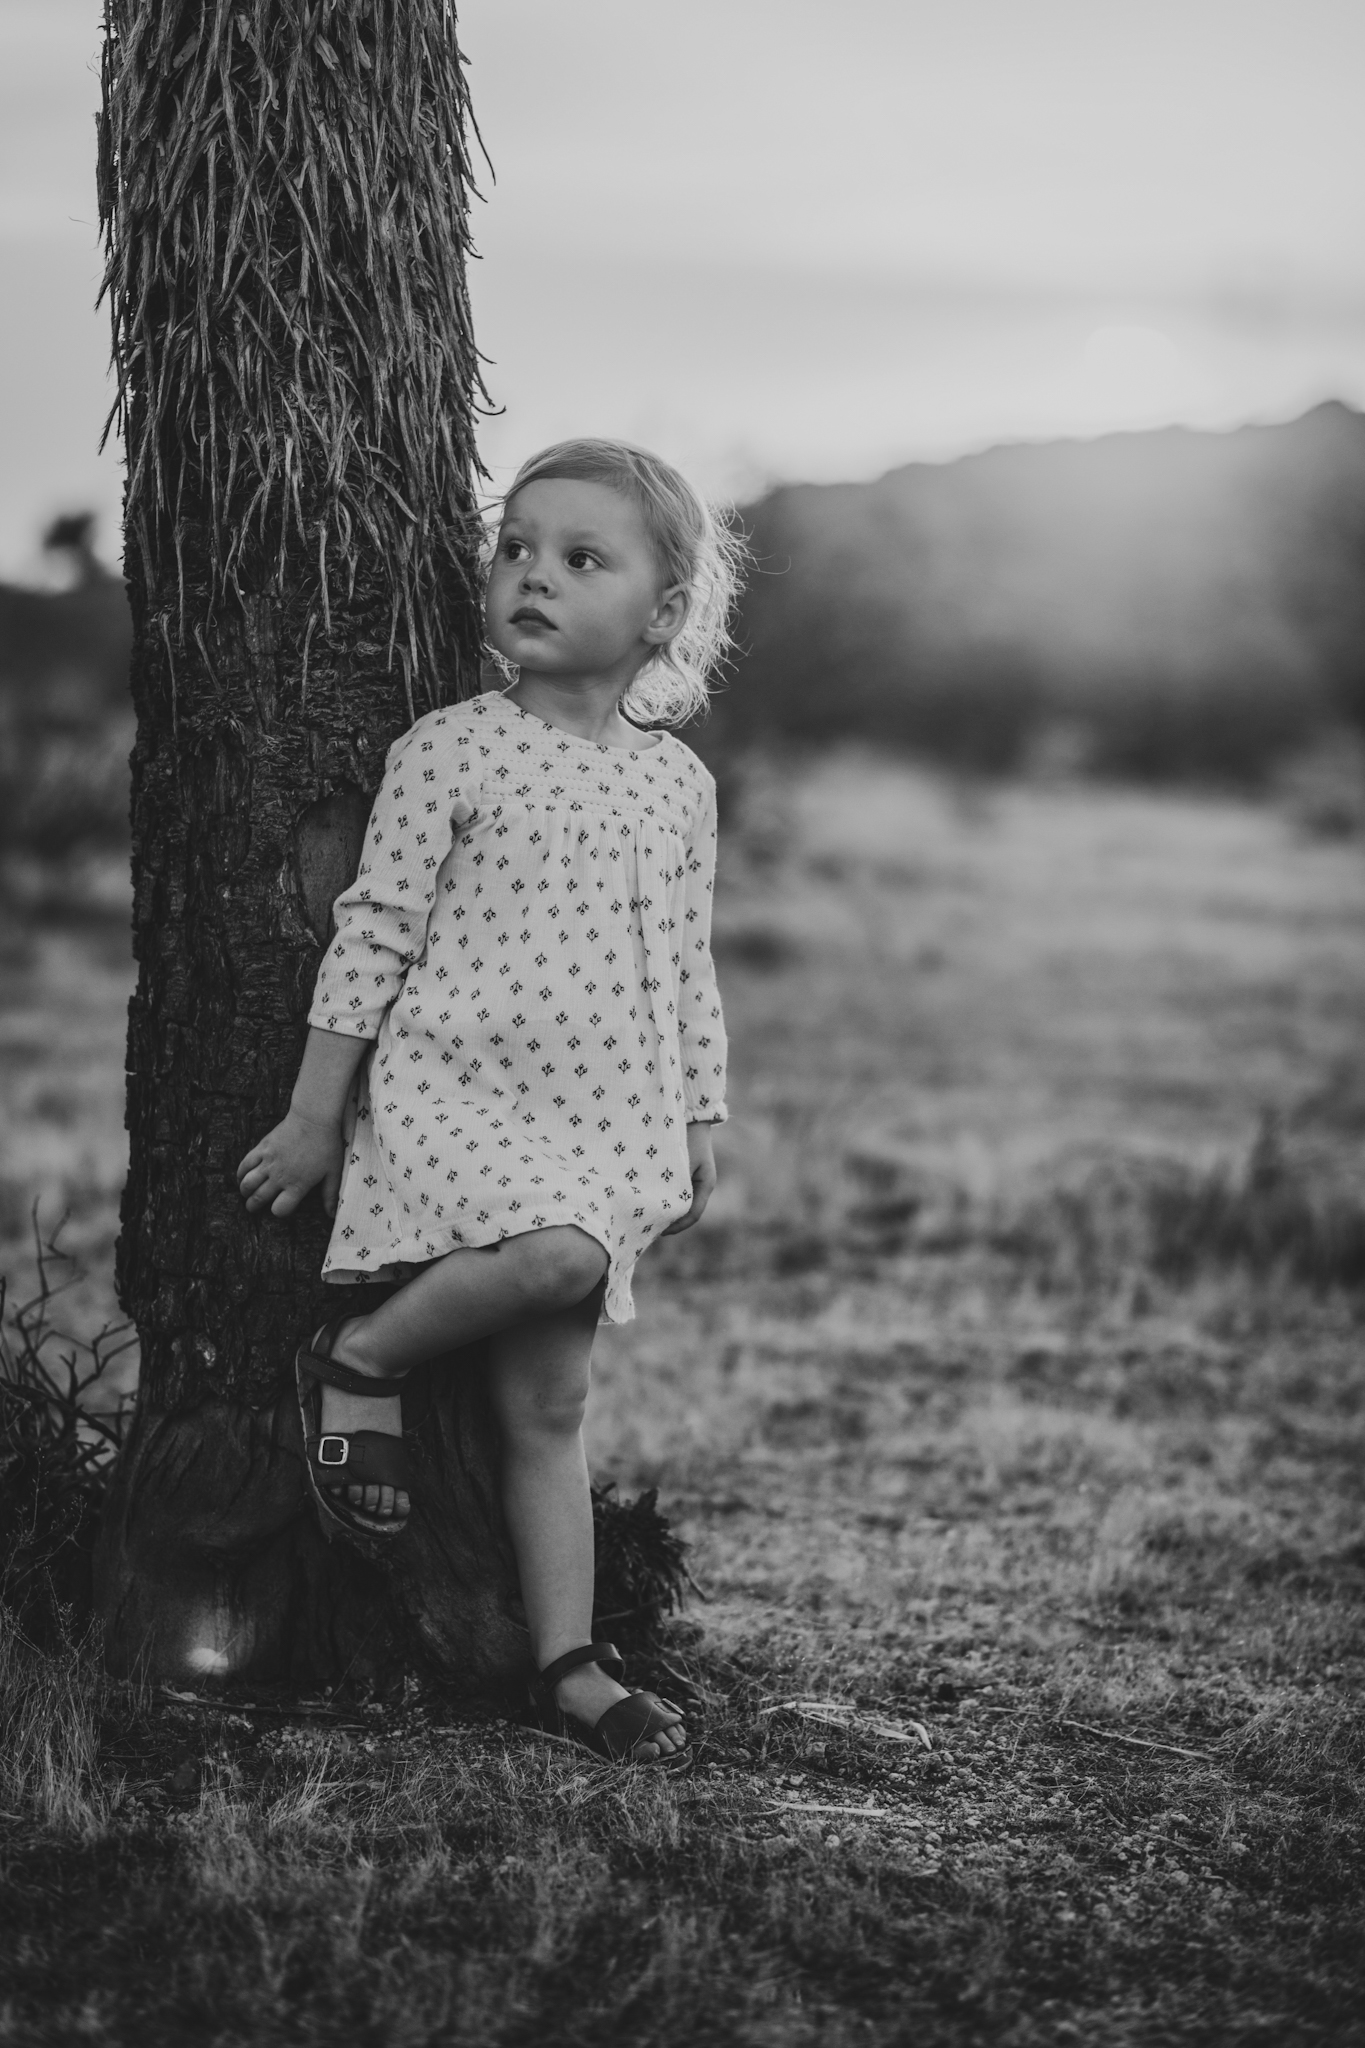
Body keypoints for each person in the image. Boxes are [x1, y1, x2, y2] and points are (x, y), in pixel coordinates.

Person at [237, 439, 740, 1763]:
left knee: (550, 1410)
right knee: (560, 1254)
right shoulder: (451, 751)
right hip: (459, 1100)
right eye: (516, 548)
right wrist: (310, 1116)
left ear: (663, 609)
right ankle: (364, 1358)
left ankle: (566, 1664)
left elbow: (682, 963)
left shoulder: (675, 784)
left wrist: (701, 1116)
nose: (533, 577)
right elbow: (373, 933)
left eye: (582, 559)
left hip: (605, 1121)